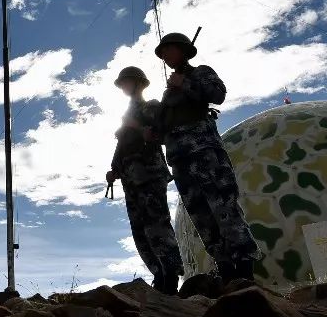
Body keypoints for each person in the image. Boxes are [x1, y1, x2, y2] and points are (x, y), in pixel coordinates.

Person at [153, 32, 261, 285]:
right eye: (163, 52)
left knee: (224, 207)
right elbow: (162, 129)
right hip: (179, 158)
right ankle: (225, 270)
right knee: (200, 214)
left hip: (204, 151)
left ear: (182, 50)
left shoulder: (199, 72)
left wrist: (185, 84)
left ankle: (244, 269)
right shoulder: (167, 94)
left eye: (169, 49)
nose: (165, 56)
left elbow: (218, 94)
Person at [106, 66, 183, 295]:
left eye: (126, 83)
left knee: (156, 224)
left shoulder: (150, 106)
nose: (123, 88)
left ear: (138, 83)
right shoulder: (127, 113)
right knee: (139, 229)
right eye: (121, 84)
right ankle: (158, 274)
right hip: (131, 178)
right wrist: (114, 170)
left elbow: (160, 132)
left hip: (149, 174)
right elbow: (123, 147)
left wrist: (136, 128)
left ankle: (170, 275)